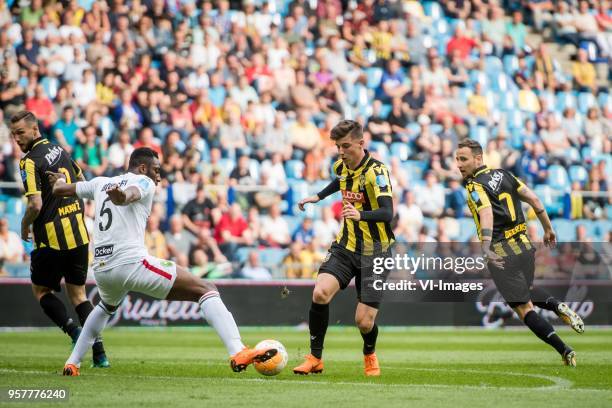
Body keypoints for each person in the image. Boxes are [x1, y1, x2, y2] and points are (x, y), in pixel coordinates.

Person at [48, 147, 276, 376]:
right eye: (157, 170)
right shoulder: (144, 181)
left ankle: (72, 363)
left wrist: (59, 180)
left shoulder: (100, 183)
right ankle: (237, 350)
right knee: (206, 289)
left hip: (102, 269)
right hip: (131, 263)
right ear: (143, 167)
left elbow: (60, 190)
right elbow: (133, 193)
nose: (159, 176)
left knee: (105, 307)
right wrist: (122, 197)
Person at [455, 139, 584, 367]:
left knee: (524, 310)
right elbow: (534, 199)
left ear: (478, 159)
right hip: (524, 246)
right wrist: (548, 228)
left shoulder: (475, 186)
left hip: (501, 254)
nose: (458, 164)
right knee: (529, 291)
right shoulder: (504, 174)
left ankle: (564, 350)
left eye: (463, 159)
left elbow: (486, 214)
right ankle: (557, 306)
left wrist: (485, 245)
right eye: (456, 159)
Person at [293, 120, 394, 377]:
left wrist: (360, 216)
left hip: (376, 251)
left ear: (361, 143)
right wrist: (318, 196)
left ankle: (369, 354)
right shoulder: (342, 164)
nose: (340, 151)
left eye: (345, 146)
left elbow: (387, 212)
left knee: (363, 321)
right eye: (338, 146)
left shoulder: (377, 172)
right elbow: (340, 181)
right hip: (346, 245)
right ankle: (315, 357)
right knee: (320, 293)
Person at [9, 110, 108, 367]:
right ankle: (99, 353)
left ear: (34, 129)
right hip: (78, 234)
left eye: (20, 133)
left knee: (41, 291)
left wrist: (23, 226)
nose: (17, 139)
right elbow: (83, 180)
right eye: (13, 135)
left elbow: (35, 204)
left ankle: (75, 333)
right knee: (79, 296)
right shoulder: (60, 149)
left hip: (51, 239)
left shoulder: (29, 162)